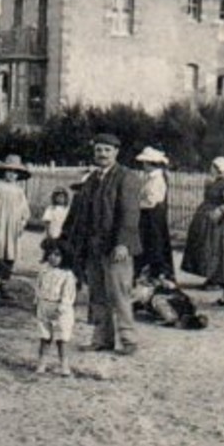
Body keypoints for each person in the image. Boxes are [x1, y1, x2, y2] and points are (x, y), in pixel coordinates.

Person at [65, 133, 143, 355]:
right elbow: (81, 214)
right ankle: (102, 339)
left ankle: (129, 340)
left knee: (119, 294)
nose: (102, 154)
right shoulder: (91, 179)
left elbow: (129, 214)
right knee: (97, 295)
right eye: (99, 149)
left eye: (107, 150)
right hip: (93, 246)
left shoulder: (126, 177)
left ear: (116, 152)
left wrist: (123, 244)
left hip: (116, 248)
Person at [0, 153, 32, 302]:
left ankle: (4, 285)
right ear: (4, 173)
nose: (11, 175)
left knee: (9, 255)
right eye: (9, 171)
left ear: (18, 175)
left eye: (15, 172)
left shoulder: (19, 191)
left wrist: (23, 221)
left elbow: (24, 209)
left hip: (13, 226)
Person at [181, 157, 224, 287]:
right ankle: (210, 276)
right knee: (203, 246)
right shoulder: (213, 181)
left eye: (213, 167)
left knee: (213, 247)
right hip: (205, 216)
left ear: (219, 169)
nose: (210, 169)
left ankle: (216, 279)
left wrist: (220, 213)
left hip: (215, 218)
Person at [34, 238, 78, 376]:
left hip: (60, 310)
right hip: (44, 305)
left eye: (57, 255)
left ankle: (64, 365)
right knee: (44, 336)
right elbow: (38, 287)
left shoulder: (67, 275)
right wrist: (36, 301)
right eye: (50, 254)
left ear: (65, 257)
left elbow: (68, 295)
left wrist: (62, 308)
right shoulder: (44, 270)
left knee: (62, 339)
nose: (53, 257)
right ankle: (42, 363)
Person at [135, 147, 174, 282]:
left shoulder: (157, 179)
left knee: (154, 243)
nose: (143, 166)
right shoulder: (151, 177)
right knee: (150, 243)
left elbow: (151, 201)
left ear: (149, 163)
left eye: (145, 163)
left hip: (152, 216)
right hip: (150, 215)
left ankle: (155, 273)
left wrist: (135, 205)